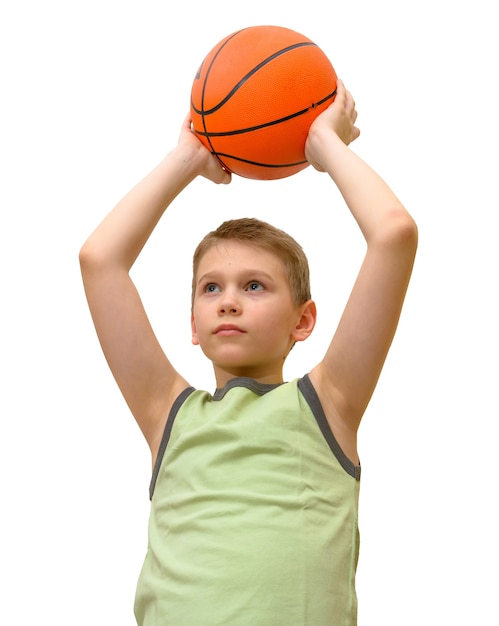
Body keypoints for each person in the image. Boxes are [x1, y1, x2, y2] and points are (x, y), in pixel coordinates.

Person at [79, 80, 418, 625]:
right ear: (193, 324)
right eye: (211, 288)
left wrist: (325, 143)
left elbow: (393, 234)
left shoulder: (328, 403)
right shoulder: (168, 413)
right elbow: (100, 260)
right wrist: (189, 154)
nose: (229, 302)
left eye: (255, 286)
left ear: (302, 321)